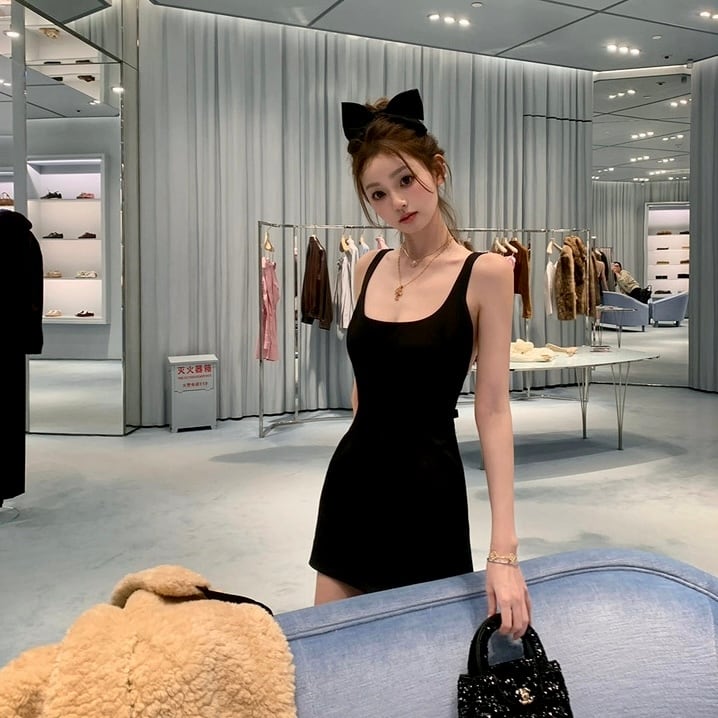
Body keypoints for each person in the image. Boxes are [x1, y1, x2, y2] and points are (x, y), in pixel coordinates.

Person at [308, 88, 531, 639]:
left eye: (406, 180)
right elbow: (363, 389)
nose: (398, 203)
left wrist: (504, 551)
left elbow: (494, 410)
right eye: (378, 194)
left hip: (428, 491)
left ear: (438, 170)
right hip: (352, 487)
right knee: (331, 651)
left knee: (424, 657)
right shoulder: (368, 266)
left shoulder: (486, 273)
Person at [1, 209, 43, 506]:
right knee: (8, 416)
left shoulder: (23, 238)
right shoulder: (24, 238)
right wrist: (31, 337)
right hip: (10, 341)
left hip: (10, 339)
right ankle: (4, 488)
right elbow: (34, 292)